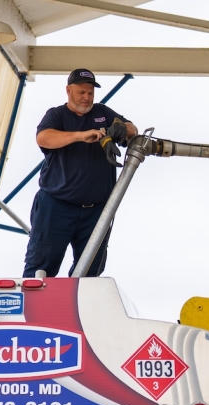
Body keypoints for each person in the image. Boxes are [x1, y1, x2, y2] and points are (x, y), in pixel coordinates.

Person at [22, 68, 137, 278]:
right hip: (56, 206)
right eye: (81, 92)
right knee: (40, 268)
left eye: (90, 93)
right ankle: (37, 310)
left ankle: (77, 309)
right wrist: (80, 136)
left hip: (96, 210)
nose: (86, 97)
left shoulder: (103, 113)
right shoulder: (56, 115)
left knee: (91, 272)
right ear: (68, 90)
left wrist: (121, 128)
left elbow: (132, 129)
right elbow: (44, 138)